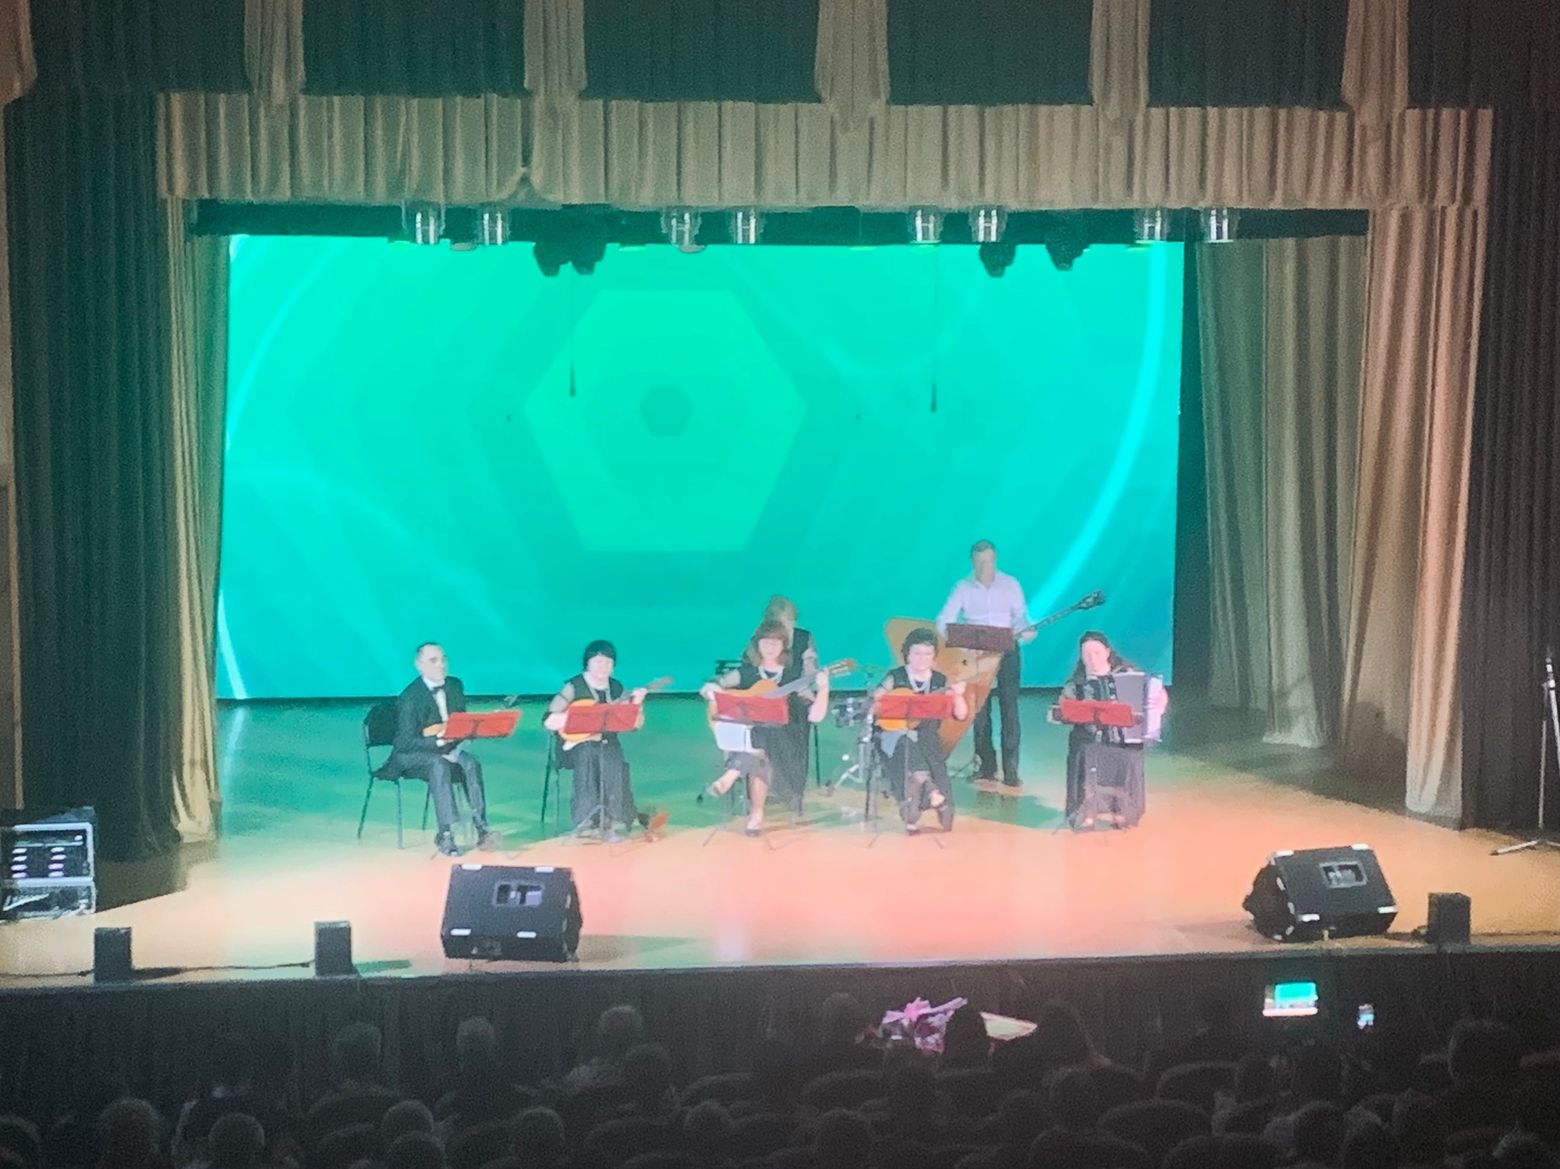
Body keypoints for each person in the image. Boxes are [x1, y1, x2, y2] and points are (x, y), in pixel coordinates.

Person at [700, 619, 829, 837]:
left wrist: (824, 689)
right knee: (759, 746)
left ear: (783, 646)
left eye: (776, 642)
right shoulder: (746, 673)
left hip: (785, 741)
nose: (770, 647)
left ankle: (733, 776)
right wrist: (712, 690)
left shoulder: (793, 678)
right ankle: (756, 814)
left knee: (761, 744)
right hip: (751, 739)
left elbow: (815, 716)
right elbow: (710, 687)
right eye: (765, 642)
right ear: (757, 645)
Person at [384, 643, 498, 856]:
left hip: (448, 748)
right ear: (419, 665)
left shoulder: (455, 685)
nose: (441, 665)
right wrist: (438, 741)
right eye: (433, 661)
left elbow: (460, 720)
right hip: (413, 755)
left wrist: (473, 729)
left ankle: (481, 827)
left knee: (471, 763)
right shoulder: (410, 697)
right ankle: (445, 833)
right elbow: (405, 742)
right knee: (439, 765)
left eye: (443, 659)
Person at [543, 640, 664, 843]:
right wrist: (575, 719)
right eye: (598, 662)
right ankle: (587, 821)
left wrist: (637, 702)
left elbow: (634, 725)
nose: (603, 667)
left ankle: (614, 819)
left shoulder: (616, 687)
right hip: (573, 746)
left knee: (612, 756)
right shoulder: (574, 686)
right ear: (587, 663)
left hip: (607, 742)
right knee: (589, 753)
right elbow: (548, 720)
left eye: (608, 662)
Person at [936, 540, 1033, 790]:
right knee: (979, 711)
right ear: (972, 562)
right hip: (976, 657)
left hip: (1007, 652)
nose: (984, 567)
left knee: (1009, 709)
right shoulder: (963, 587)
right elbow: (943, 621)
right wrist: (962, 647)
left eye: (988, 561)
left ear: (995, 559)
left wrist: (1026, 630)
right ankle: (987, 767)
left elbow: (1021, 617)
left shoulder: (1010, 584)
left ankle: (1011, 771)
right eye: (979, 562)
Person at [1056, 631, 1167, 830]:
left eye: (1097, 653)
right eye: (1087, 654)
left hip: (1125, 739)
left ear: (1107, 652)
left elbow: (1158, 692)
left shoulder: (1128, 673)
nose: (1092, 658)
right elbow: (1063, 707)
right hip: (1090, 738)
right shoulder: (1076, 683)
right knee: (1084, 750)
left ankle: (1122, 812)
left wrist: (1159, 705)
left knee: (1127, 755)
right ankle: (1086, 813)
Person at [873, 628, 968, 833]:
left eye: (927, 654)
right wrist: (881, 700)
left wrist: (958, 695)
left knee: (947, 819)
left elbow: (961, 715)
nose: (922, 658)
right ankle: (926, 800)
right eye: (917, 653)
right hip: (895, 735)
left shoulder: (940, 680)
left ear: (934, 656)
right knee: (911, 760)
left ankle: (928, 801)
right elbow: (877, 704)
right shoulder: (895, 676)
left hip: (928, 738)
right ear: (907, 654)